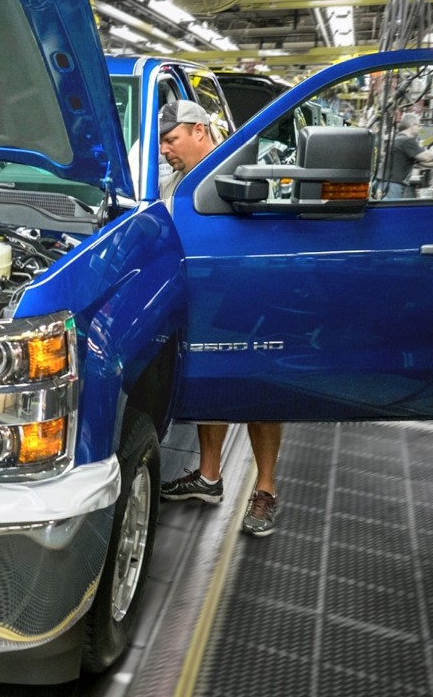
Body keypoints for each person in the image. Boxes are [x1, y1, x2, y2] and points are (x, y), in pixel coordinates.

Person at [155, 99, 283, 537]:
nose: (166, 150)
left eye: (171, 140)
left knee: (257, 391)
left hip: (242, 293)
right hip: (198, 294)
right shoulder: (170, 180)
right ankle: (209, 477)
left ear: (197, 131)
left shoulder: (241, 169)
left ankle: (265, 488)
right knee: (212, 379)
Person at [382, 112, 433, 199]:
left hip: (388, 182)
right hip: (393, 184)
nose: (420, 128)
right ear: (412, 125)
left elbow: (421, 163)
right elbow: (426, 158)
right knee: (391, 210)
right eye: (418, 125)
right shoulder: (407, 141)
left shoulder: (398, 139)